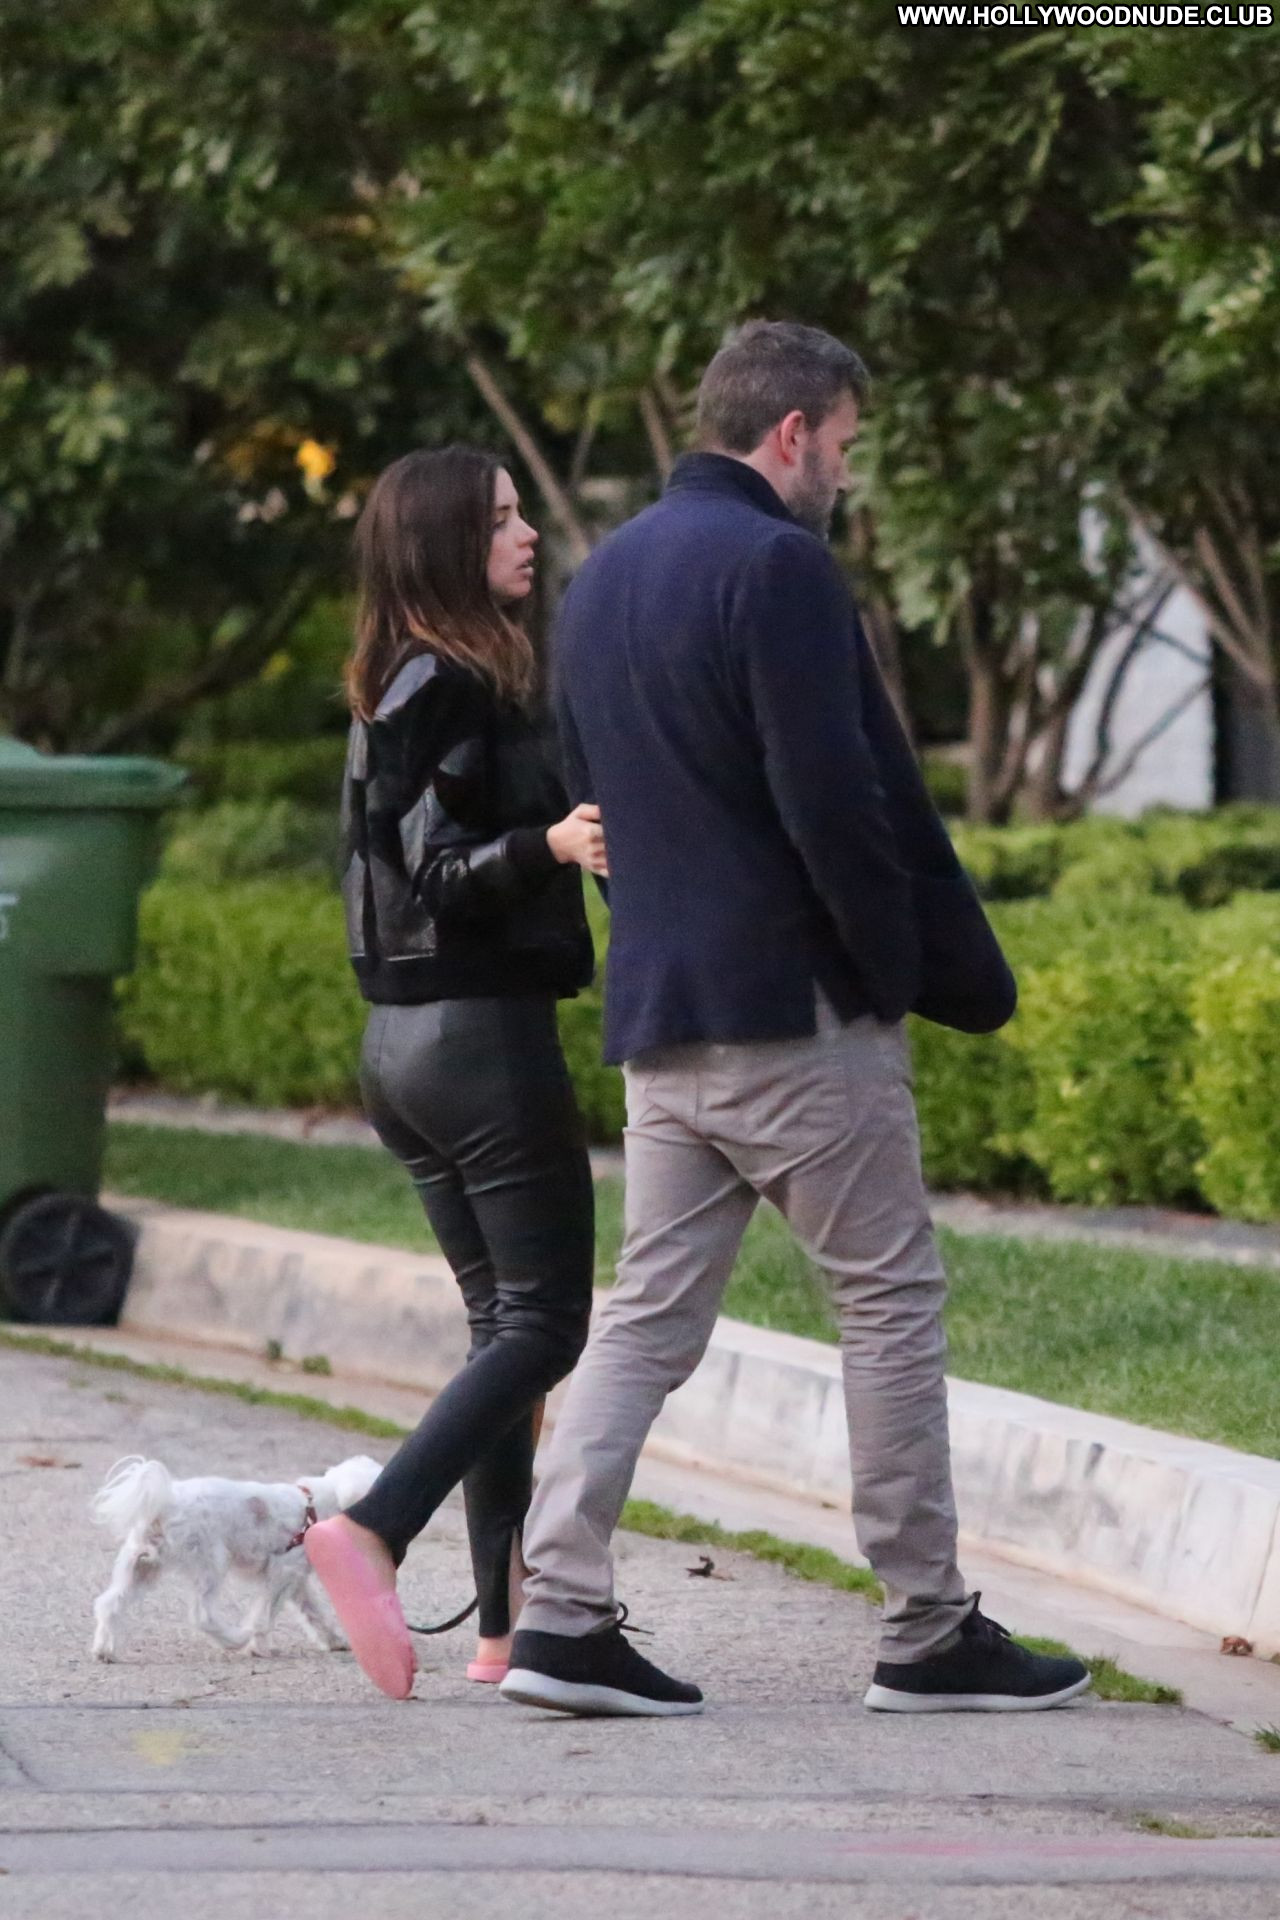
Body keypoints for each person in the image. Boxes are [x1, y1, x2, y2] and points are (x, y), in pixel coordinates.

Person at [500, 321, 1090, 1719]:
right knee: (887, 1305)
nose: (845, 471)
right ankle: (928, 1630)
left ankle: (558, 1615)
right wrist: (886, 971)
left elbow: (595, 802)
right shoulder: (778, 566)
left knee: (644, 1322)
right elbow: (836, 798)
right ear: (791, 433)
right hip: (795, 1016)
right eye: (843, 444)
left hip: (664, 1015)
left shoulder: (600, 577)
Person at [304, 445, 606, 1700]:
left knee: (504, 1334)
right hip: (476, 1040)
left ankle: (501, 1631)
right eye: (497, 521)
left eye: (521, 514)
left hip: (404, 1051)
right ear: (442, 547)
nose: (526, 536)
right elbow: (435, 871)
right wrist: (552, 843)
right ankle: (375, 1528)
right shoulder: (450, 681)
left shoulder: (397, 679)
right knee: (546, 1324)